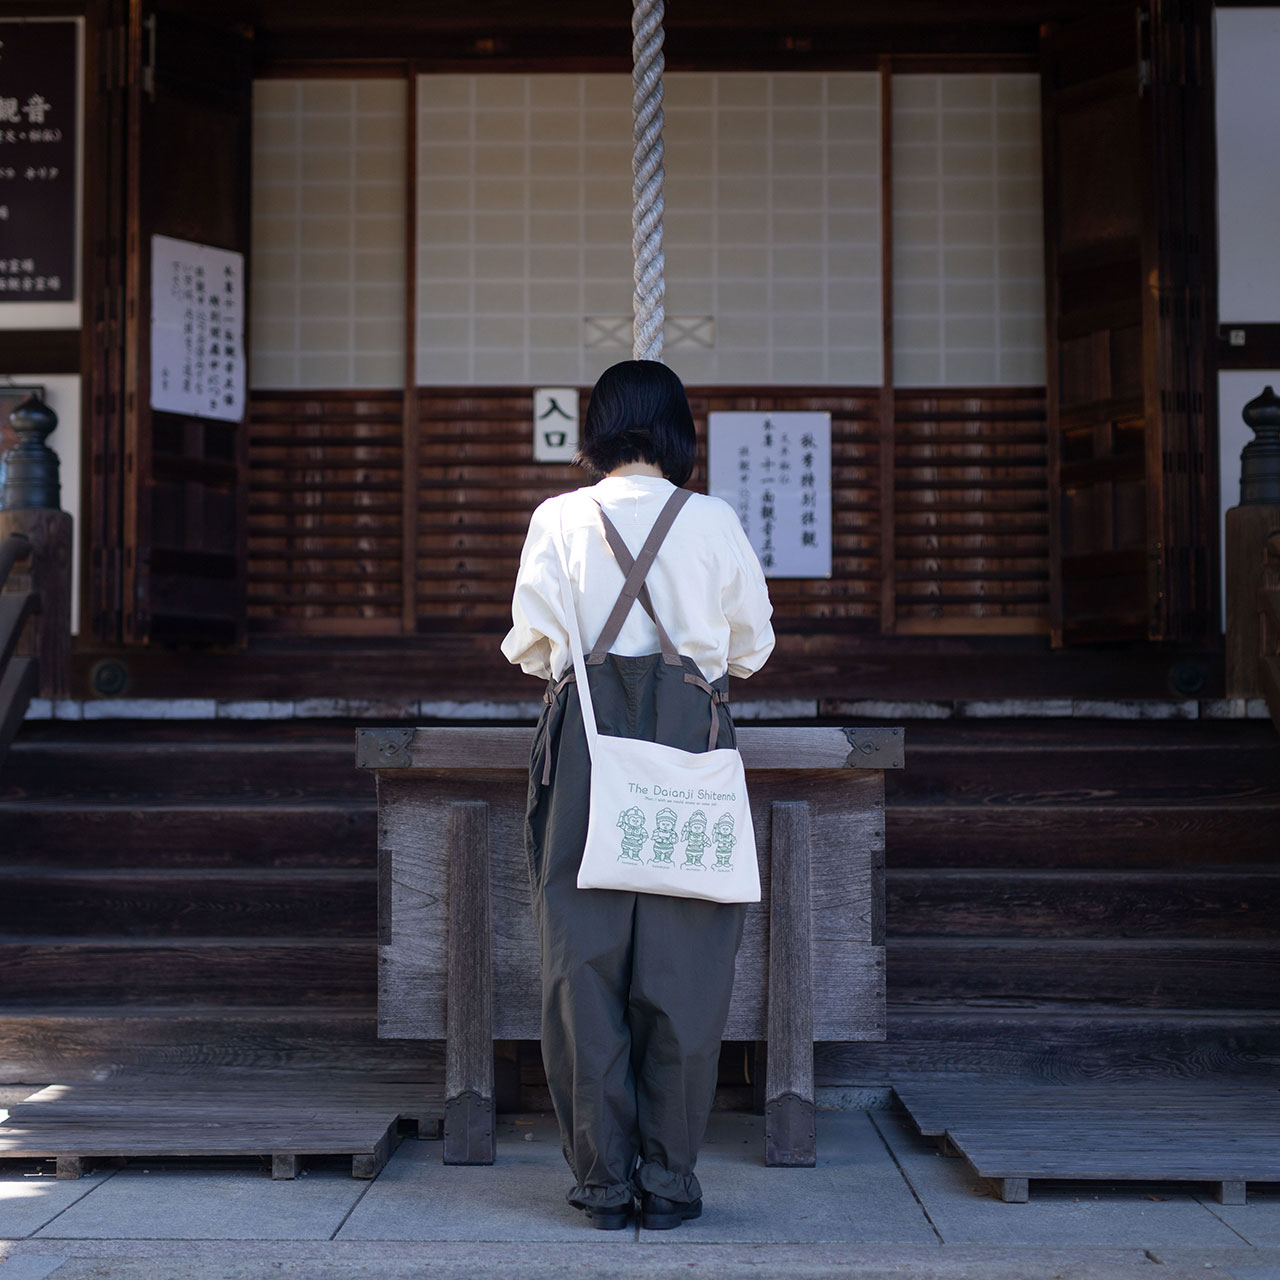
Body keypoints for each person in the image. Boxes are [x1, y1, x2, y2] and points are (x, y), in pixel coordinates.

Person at [501, 359, 775, 1230]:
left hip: (583, 750)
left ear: (600, 427)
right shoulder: (714, 522)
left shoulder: (557, 518)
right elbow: (750, 650)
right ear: (677, 430)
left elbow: (531, 648)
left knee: (580, 969)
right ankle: (670, 1181)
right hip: (689, 745)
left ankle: (603, 1183)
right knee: (687, 971)